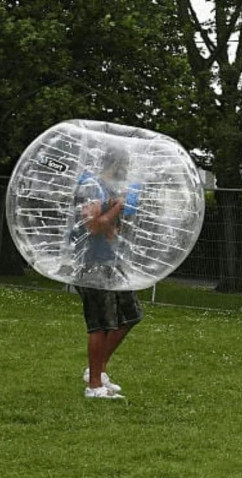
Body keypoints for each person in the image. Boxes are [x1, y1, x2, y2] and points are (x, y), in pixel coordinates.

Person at [71, 149, 143, 399]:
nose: (128, 170)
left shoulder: (113, 189)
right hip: (91, 264)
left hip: (112, 261)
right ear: (116, 163)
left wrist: (117, 214)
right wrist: (117, 208)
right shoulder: (92, 187)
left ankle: (97, 371)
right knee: (100, 324)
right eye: (126, 164)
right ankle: (93, 386)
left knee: (130, 314)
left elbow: (111, 230)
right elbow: (93, 226)